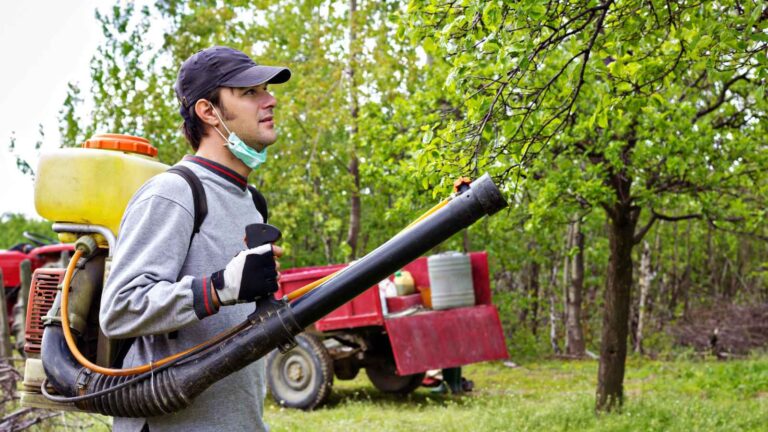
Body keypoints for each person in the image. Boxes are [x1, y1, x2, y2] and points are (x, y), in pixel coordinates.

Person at [100, 46, 291, 432]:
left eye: (266, 90)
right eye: (250, 92)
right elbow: (119, 309)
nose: (269, 100)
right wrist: (219, 288)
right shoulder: (173, 192)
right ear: (208, 111)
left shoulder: (252, 201)